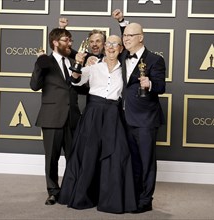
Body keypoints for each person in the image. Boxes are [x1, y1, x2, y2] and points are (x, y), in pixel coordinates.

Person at [58, 35, 137, 214]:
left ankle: (111, 199)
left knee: (116, 156)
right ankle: (84, 196)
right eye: (108, 44)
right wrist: (78, 64)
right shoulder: (93, 65)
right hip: (93, 113)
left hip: (113, 114)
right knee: (89, 154)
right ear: (104, 47)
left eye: (115, 44)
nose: (110, 47)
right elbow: (76, 80)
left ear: (121, 48)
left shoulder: (125, 69)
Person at [113, 9, 166, 213]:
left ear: (140, 38)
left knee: (146, 162)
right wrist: (121, 21)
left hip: (145, 120)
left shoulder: (154, 60)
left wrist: (150, 83)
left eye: (129, 35)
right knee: (132, 161)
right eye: (124, 35)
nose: (125, 39)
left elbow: (161, 87)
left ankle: (146, 200)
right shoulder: (124, 55)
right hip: (125, 119)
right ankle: (134, 196)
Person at [30, 28, 82, 205]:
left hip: (73, 116)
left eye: (70, 40)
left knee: (73, 156)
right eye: (66, 40)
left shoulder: (74, 60)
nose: (70, 43)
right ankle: (53, 191)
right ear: (55, 42)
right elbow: (34, 86)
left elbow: (79, 86)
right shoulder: (46, 62)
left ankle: (70, 189)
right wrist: (39, 62)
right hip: (52, 116)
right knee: (51, 157)